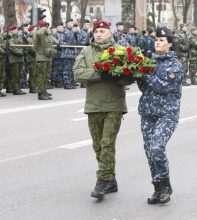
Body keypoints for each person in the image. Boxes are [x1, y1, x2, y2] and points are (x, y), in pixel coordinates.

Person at [73, 20, 133, 200]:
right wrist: (102, 72)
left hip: (114, 105)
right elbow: (78, 73)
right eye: (96, 31)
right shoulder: (86, 51)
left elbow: (129, 78)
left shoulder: (120, 51)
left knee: (107, 144)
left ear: (110, 33)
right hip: (93, 105)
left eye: (102, 31)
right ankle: (111, 179)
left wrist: (117, 75)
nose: (98, 34)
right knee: (98, 145)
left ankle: (102, 181)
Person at [137, 26, 184, 204]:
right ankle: (157, 188)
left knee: (157, 148)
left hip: (167, 114)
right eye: (156, 40)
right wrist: (139, 75)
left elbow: (164, 87)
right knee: (149, 152)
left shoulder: (174, 65)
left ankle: (165, 185)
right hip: (148, 113)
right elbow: (145, 88)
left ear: (170, 44)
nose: (158, 42)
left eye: (162, 40)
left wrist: (145, 74)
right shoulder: (150, 61)